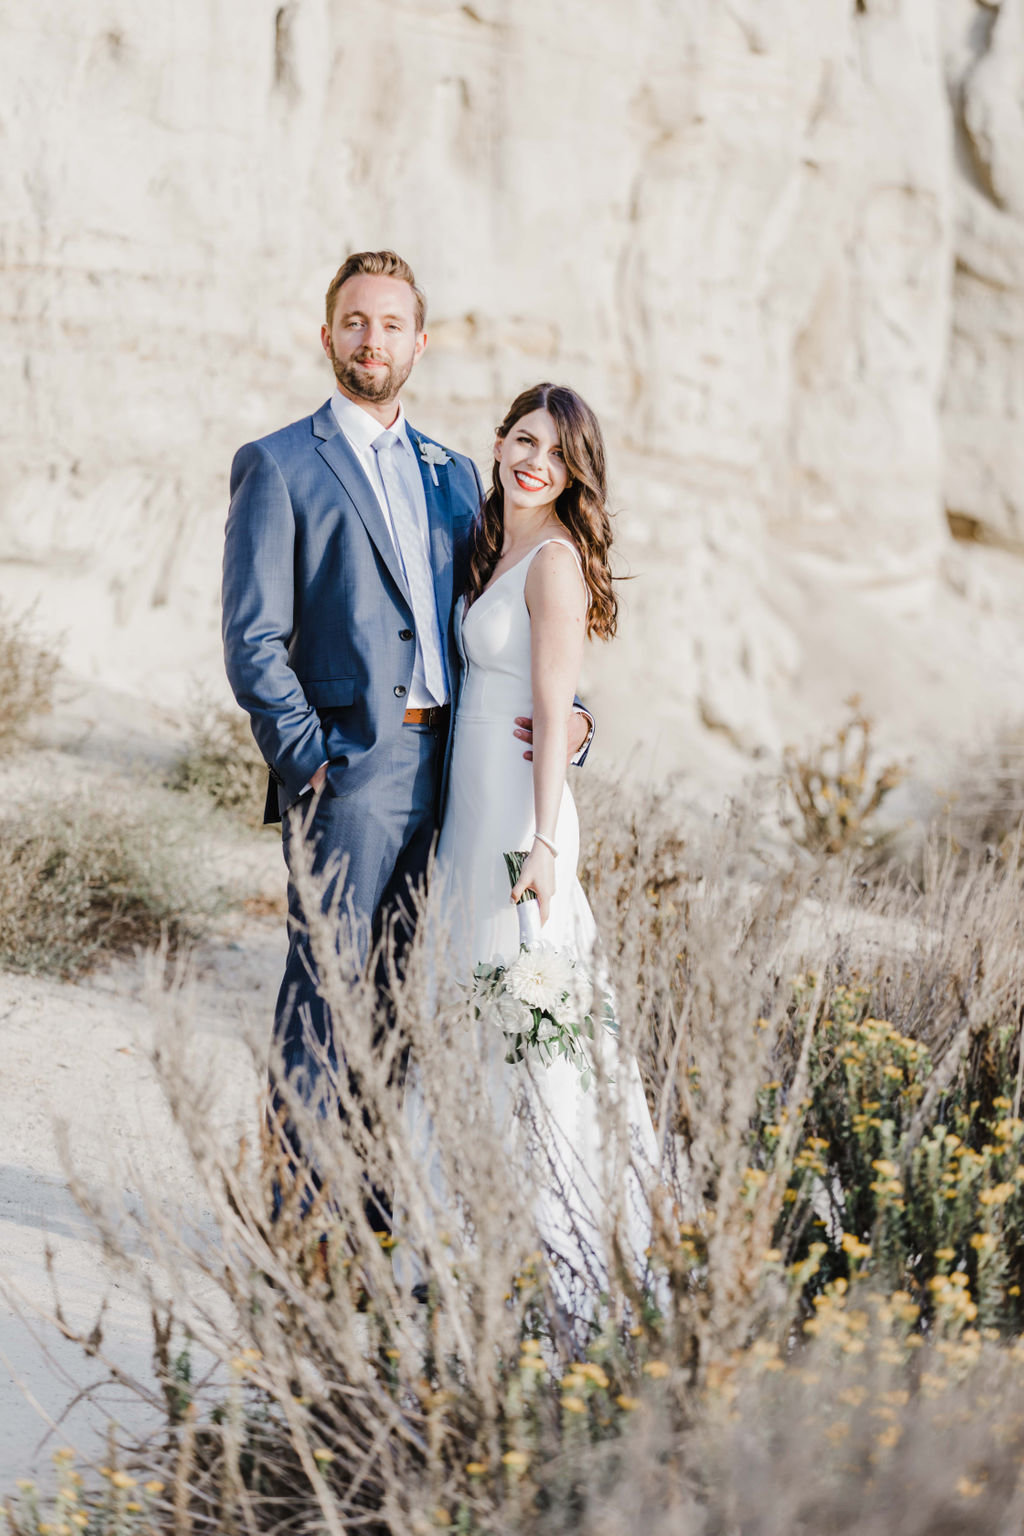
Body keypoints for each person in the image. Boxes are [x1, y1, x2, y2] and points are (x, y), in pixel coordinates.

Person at [221, 253, 591, 1217]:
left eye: (390, 325)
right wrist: (311, 761)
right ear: (327, 333)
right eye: (354, 322)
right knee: (325, 1003)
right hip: (350, 777)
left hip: (459, 780)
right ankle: (301, 1231)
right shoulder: (280, 463)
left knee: (403, 1004)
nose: (371, 340)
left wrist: (576, 722)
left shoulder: (454, 474)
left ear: (419, 344)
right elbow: (252, 639)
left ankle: (381, 1221)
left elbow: (509, 617)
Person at [430, 382, 660, 1296]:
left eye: (558, 454)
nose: (536, 461)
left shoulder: (554, 560)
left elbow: (554, 707)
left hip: (520, 813)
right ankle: (476, 1218)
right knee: (475, 1003)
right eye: (525, 440)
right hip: (470, 799)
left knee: (530, 1011)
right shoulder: (494, 541)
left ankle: (558, 1236)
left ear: (576, 475)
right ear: (498, 441)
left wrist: (544, 844)